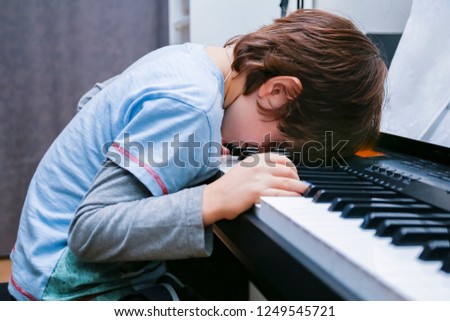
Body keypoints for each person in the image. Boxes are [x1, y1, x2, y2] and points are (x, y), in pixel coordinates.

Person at [8, 9, 387, 300]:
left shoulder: (187, 62)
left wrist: (183, 151)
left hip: (36, 265)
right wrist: (213, 197)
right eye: (275, 144)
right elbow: (89, 231)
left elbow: (92, 104)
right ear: (277, 92)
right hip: (67, 291)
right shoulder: (190, 104)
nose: (260, 153)